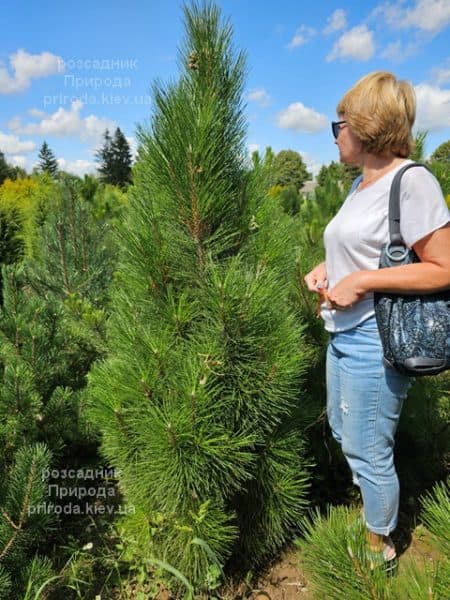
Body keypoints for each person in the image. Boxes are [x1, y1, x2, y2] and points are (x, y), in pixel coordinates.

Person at [304, 71, 450, 574]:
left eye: (338, 124)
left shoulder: (412, 182)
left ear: (365, 126)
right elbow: (371, 251)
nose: (335, 134)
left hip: (374, 338)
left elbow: (444, 268)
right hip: (340, 334)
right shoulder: (359, 186)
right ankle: (375, 511)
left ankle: (378, 550)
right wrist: (331, 269)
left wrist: (362, 282)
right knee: (346, 433)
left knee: (368, 451)